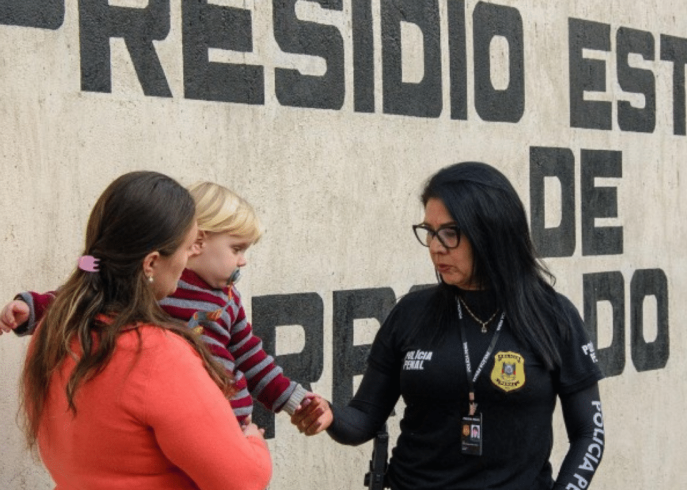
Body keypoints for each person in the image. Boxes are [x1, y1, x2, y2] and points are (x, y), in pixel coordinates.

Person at [293, 161, 606, 490]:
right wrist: (328, 414)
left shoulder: (553, 317)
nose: (436, 246)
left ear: (491, 232)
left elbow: (590, 434)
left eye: (450, 233)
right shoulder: (411, 313)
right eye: (429, 231)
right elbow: (363, 418)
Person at [3, 181, 333, 430]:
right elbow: (83, 289)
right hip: (179, 424)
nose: (243, 261)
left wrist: (295, 401)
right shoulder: (151, 280)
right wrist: (32, 309)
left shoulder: (229, 299)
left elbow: (252, 357)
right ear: (199, 240)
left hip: (232, 425)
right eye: (237, 248)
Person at [18, 171, 272, 489]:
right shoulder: (157, 354)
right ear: (151, 263)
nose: (190, 256)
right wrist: (252, 441)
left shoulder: (52, 331)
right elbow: (242, 480)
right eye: (187, 247)